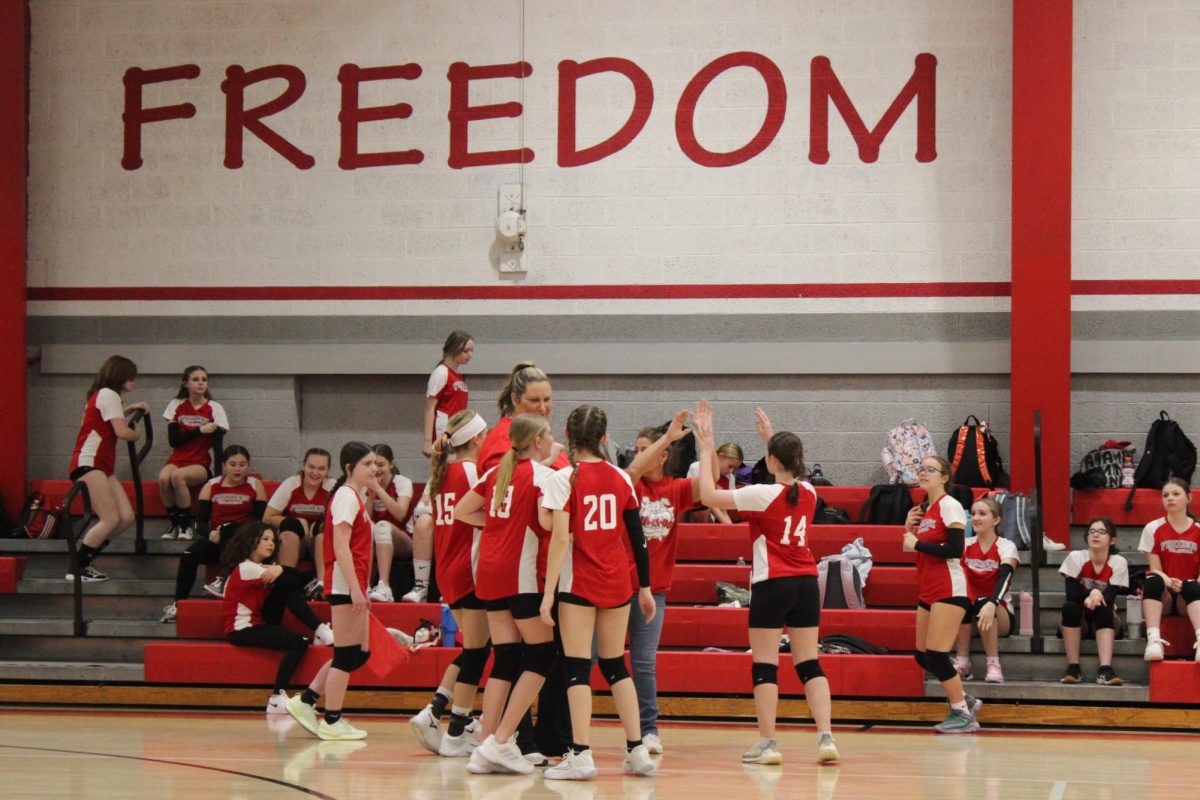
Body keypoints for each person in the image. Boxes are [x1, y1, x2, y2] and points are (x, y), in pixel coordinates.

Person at [693, 401, 839, 765]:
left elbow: (709, 497)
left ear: (771, 459)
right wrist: (771, 439)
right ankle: (826, 738)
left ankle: (769, 744)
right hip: (806, 581)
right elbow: (788, 469)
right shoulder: (810, 492)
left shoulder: (762, 494)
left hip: (772, 583)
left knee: (765, 665)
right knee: (809, 664)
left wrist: (705, 445)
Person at [537, 405, 658, 781]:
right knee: (614, 664)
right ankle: (637, 749)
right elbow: (638, 539)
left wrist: (547, 594)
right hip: (618, 582)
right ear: (604, 438)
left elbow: (558, 539)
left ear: (568, 437)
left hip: (580, 583)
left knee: (576, 667)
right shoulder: (622, 478)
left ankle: (581, 754)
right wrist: (646, 588)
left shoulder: (564, 478)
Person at [454, 413, 559, 775]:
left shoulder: (494, 472)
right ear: (536, 441)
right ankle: (501, 739)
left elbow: (462, 511)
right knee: (543, 655)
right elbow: (548, 523)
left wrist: (498, 523)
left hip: (489, 572)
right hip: (520, 574)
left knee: (506, 658)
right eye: (548, 434)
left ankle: (485, 746)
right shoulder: (543, 476)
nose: (552, 438)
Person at [407, 409, 490, 757]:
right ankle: (443, 716)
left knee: (476, 648)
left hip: (449, 568)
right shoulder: (471, 470)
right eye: (484, 435)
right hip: (467, 568)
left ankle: (451, 715)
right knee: (476, 651)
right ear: (475, 439)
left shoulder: (440, 476)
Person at [285, 442, 379, 741]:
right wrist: (353, 588)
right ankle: (332, 719)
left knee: (359, 654)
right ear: (350, 468)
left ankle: (306, 700)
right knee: (346, 654)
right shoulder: (346, 497)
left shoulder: (357, 497)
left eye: (376, 463)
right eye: (367, 464)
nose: (374, 468)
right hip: (343, 584)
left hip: (354, 583)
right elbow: (339, 546)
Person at [622, 410, 701, 753]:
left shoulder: (677, 488)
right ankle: (561, 724)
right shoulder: (629, 483)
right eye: (637, 449)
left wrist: (708, 443)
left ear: (663, 455)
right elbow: (632, 470)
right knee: (591, 657)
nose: (639, 455)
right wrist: (666, 436)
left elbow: (707, 486)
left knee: (643, 663)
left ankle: (649, 729)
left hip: (655, 591)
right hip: (617, 588)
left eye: (646, 449)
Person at [903, 455, 982, 733]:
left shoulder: (950, 505)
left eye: (931, 470)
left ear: (944, 477)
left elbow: (955, 549)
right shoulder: (926, 509)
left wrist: (917, 543)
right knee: (923, 656)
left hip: (950, 588)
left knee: (936, 656)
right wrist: (908, 529)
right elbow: (910, 548)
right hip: (929, 589)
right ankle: (965, 699)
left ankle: (962, 713)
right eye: (921, 469)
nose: (924, 473)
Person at [221, 522, 334, 713]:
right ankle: (276, 697)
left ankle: (319, 630)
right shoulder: (246, 567)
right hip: (241, 629)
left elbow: (293, 581)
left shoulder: (262, 567)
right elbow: (293, 578)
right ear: (251, 542)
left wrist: (280, 569)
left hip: (258, 621)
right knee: (299, 641)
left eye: (273, 540)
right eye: (265, 539)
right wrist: (281, 569)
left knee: (285, 587)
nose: (271, 544)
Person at [65, 355, 148, 582]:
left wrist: (131, 408)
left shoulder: (104, 395)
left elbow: (110, 418)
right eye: (132, 378)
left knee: (126, 516)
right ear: (121, 376)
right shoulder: (109, 394)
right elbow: (122, 432)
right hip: (89, 462)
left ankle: (87, 559)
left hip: (101, 465)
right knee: (110, 518)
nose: (134, 382)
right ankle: (77, 565)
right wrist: (137, 432)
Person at [160, 445, 266, 622]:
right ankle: (178, 605)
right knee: (188, 555)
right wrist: (210, 534)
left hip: (244, 542)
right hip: (218, 539)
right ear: (224, 465)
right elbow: (198, 522)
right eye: (233, 464)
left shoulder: (255, 486)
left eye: (242, 464)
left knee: (229, 527)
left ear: (248, 466)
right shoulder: (212, 485)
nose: (238, 469)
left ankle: (224, 579)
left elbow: (260, 521)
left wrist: (234, 530)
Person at [158, 366, 230, 541]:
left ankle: (185, 525)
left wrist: (219, 476)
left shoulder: (214, 407)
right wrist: (199, 430)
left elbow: (218, 445)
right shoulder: (176, 405)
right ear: (186, 383)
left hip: (201, 462)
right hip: (178, 458)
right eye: (195, 379)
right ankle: (174, 522)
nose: (200, 383)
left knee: (177, 477)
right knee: (163, 478)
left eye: (204, 379)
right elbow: (173, 440)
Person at [953, 497, 1019, 683]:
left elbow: (1005, 577)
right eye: (973, 514)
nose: (976, 518)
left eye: (982, 514)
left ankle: (993, 664)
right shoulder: (965, 545)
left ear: (996, 520)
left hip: (1000, 613)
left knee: (983, 601)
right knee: (961, 601)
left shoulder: (1006, 546)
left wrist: (993, 602)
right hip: (970, 616)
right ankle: (963, 663)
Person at [1060, 517, 1129, 685]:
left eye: (1101, 531)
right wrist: (1094, 592)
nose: (1095, 535)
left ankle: (1105, 670)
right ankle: (1073, 668)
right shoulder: (1076, 557)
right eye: (1092, 531)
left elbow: (1110, 597)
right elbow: (1072, 594)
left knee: (1104, 609)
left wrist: (1097, 594)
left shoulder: (1119, 562)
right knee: (1070, 607)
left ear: (1112, 540)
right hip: (1080, 620)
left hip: (1104, 618)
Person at [1138, 478, 1200, 661]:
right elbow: (1155, 568)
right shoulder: (1153, 528)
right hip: (1164, 593)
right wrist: (1169, 581)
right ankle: (1154, 641)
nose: (1170, 498)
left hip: (1188, 595)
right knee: (1152, 579)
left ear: (1188, 498)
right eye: (1165, 495)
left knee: (1191, 584)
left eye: (1175, 494)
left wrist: (1190, 584)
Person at [476, 361, 567, 472]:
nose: (543, 408)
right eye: (534, 400)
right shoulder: (504, 440)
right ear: (515, 399)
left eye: (547, 399)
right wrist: (548, 462)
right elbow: (504, 484)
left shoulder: (535, 433)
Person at [263, 449, 335, 577]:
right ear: (304, 466)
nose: (315, 473)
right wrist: (298, 523)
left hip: (317, 542)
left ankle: (322, 584)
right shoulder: (292, 483)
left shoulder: (332, 487)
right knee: (292, 526)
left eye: (321, 468)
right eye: (311, 467)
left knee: (322, 530)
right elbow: (267, 517)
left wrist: (316, 526)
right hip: (296, 541)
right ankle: (285, 582)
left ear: (328, 470)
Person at [366, 444, 413, 603]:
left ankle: (384, 586)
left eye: (381, 464)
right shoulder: (366, 483)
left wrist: (378, 490)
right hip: (377, 538)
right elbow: (365, 518)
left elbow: (400, 514)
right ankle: (364, 585)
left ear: (391, 464)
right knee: (367, 528)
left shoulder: (402, 482)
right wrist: (371, 496)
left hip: (404, 540)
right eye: (372, 464)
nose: (376, 469)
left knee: (382, 526)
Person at [422, 330, 474, 458]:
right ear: (454, 349)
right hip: (444, 432)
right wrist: (428, 442)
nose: (470, 355)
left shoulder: (459, 376)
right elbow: (430, 407)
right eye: (466, 351)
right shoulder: (441, 373)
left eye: (472, 350)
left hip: (457, 431)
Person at [686, 442, 744, 524]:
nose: (731, 471)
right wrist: (728, 525)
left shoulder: (730, 477)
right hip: (694, 515)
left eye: (735, 468)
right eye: (730, 466)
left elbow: (724, 510)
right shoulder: (697, 467)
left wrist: (731, 528)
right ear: (721, 456)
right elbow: (706, 501)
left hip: (713, 520)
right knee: (703, 504)